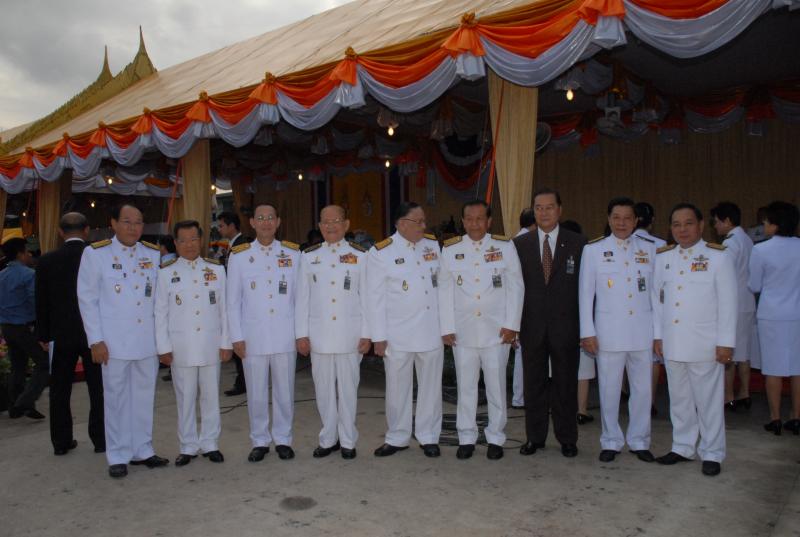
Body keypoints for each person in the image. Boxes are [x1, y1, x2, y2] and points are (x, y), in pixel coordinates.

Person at [77, 203, 169, 478]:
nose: (133, 227)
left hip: (146, 341)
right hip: (113, 342)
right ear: (114, 223)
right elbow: (87, 299)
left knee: (144, 397)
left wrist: (162, 341)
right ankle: (117, 454)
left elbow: (159, 300)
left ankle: (143, 449)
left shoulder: (152, 254)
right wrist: (96, 340)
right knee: (116, 399)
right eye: (127, 221)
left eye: (138, 222)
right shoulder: (96, 254)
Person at [652, 203, 737, 477]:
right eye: (676, 224)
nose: (682, 229)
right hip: (673, 342)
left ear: (701, 225)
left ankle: (712, 452)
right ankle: (683, 446)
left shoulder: (718, 257)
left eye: (688, 223)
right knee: (679, 400)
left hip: (705, 343)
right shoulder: (663, 257)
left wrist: (726, 342)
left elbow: (728, 303)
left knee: (709, 402)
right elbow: (657, 301)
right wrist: (658, 336)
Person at [439, 200, 523, 460]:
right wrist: (446, 326)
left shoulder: (504, 246)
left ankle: (496, 437)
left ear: (489, 221)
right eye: (469, 219)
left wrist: (512, 325)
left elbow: (516, 286)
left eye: (479, 219)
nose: (474, 224)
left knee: (496, 387)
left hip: (496, 332)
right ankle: (466, 437)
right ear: (463, 222)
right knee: (466, 387)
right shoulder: (450, 249)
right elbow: (444, 289)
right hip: (463, 332)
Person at [579, 198, 656, 464]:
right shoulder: (594, 250)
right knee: (609, 390)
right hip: (608, 333)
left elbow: (656, 294)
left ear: (636, 221)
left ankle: (639, 440)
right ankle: (610, 440)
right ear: (609, 219)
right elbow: (585, 295)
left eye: (627, 218)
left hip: (642, 331)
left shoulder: (650, 249)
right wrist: (587, 332)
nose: (622, 223)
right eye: (616, 217)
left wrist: (658, 333)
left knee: (642, 391)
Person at [513, 187, 587, 458]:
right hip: (531, 326)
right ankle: (535, 437)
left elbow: (586, 289)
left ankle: (567, 438)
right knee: (533, 384)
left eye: (549, 207)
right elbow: (514, 289)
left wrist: (585, 328)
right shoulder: (519, 245)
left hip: (566, 327)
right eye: (538, 208)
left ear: (560, 210)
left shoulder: (579, 243)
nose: (544, 212)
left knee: (565, 383)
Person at [367, 202, 443, 458]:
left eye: (424, 221)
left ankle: (428, 436)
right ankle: (397, 437)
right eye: (418, 221)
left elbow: (441, 288)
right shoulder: (381, 252)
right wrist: (378, 337)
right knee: (398, 388)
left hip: (430, 329)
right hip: (397, 334)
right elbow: (374, 298)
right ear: (401, 224)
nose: (423, 226)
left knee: (430, 388)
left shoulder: (432, 245)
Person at [295, 205, 370, 460]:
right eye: (325, 222)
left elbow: (367, 298)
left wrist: (367, 333)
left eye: (336, 221)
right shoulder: (308, 256)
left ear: (346, 224)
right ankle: (328, 439)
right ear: (319, 226)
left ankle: (348, 440)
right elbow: (302, 299)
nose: (330, 226)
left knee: (348, 390)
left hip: (350, 334)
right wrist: (301, 334)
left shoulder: (361, 255)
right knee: (324, 390)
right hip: (320, 335)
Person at [226, 203, 300, 462]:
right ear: (252, 223)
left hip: (285, 334)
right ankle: (259, 440)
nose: (266, 222)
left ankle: (283, 439)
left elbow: (300, 298)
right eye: (261, 218)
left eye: (271, 217)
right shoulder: (239, 256)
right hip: (253, 336)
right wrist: (236, 337)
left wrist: (300, 334)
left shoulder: (293, 254)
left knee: (285, 391)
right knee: (256, 392)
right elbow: (232, 302)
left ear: (278, 222)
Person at [155, 220, 232, 466]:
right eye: (183, 240)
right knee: (185, 398)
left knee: (211, 397)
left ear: (201, 240)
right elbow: (160, 314)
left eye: (193, 239)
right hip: (182, 347)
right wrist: (163, 348)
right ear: (176, 243)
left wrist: (226, 343)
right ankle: (188, 445)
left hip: (210, 344)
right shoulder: (165, 273)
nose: (189, 245)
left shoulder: (216, 270)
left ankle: (210, 443)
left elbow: (225, 310)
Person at [35, 213, 104, 455]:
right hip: (93, 333)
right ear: (87, 230)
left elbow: (41, 301)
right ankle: (101, 440)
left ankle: (61, 442)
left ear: (60, 232)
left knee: (59, 390)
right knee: (98, 388)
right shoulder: (97, 256)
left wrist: (43, 335)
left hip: (60, 333)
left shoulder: (46, 260)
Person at [748, 201, 800, 435]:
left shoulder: (761, 250)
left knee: (773, 368)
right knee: (797, 368)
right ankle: (796, 417)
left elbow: (754, 285)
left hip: (771, 315)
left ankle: (775, 418)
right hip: (797, 313)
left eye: (766, 221)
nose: (764, 225)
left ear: (775, 224)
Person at [710, 202, 756, 411]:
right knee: (744, 353)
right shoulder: (746, 239)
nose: (715, 226)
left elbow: (724, 275)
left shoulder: (730, 243)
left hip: (734, 303)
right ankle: (744, 393)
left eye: (717, 222)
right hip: (747, 301)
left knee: (729, 352)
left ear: (727, 221)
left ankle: (728, 396)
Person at [0, 238, 48, 420]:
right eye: (27, 252)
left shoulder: (2, 275)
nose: (29, 255)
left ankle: (15, 404)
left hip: (7, 327)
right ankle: (25, 401)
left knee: (18, 366)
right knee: (44, 363)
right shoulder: (28, 274)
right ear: (20, 254)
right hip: (23, 326)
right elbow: (35, 301)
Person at [561, 219, 595, 425]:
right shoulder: (588, 252)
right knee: (583, 367)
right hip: (583, 319)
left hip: (564, 318)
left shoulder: (559, 254)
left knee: (561, 367)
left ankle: (561, 407)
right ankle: (581, 410)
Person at [634, 201, 667, 415]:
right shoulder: (661, 244)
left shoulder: (628, 242)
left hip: (635, 308)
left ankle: (633, 397)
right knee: (653, 359)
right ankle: (650, 401)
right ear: (652, 220)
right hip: (654, 308)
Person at [218, 210, 250, 397]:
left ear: (232, 225)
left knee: (241, 345)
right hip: (233, 301)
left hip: (243, 304)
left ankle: (243, 382)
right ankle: (242, 380)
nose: (219, 229)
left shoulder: (242, 245)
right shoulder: (232, 246)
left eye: (222, 225)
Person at [511, 208, 536, 409]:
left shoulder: (514, 241)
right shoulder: (523, 243)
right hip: (524, 305)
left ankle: (520, 396)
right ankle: (520, 397)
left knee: (523, 352)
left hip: (521, 304)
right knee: (523, 352)